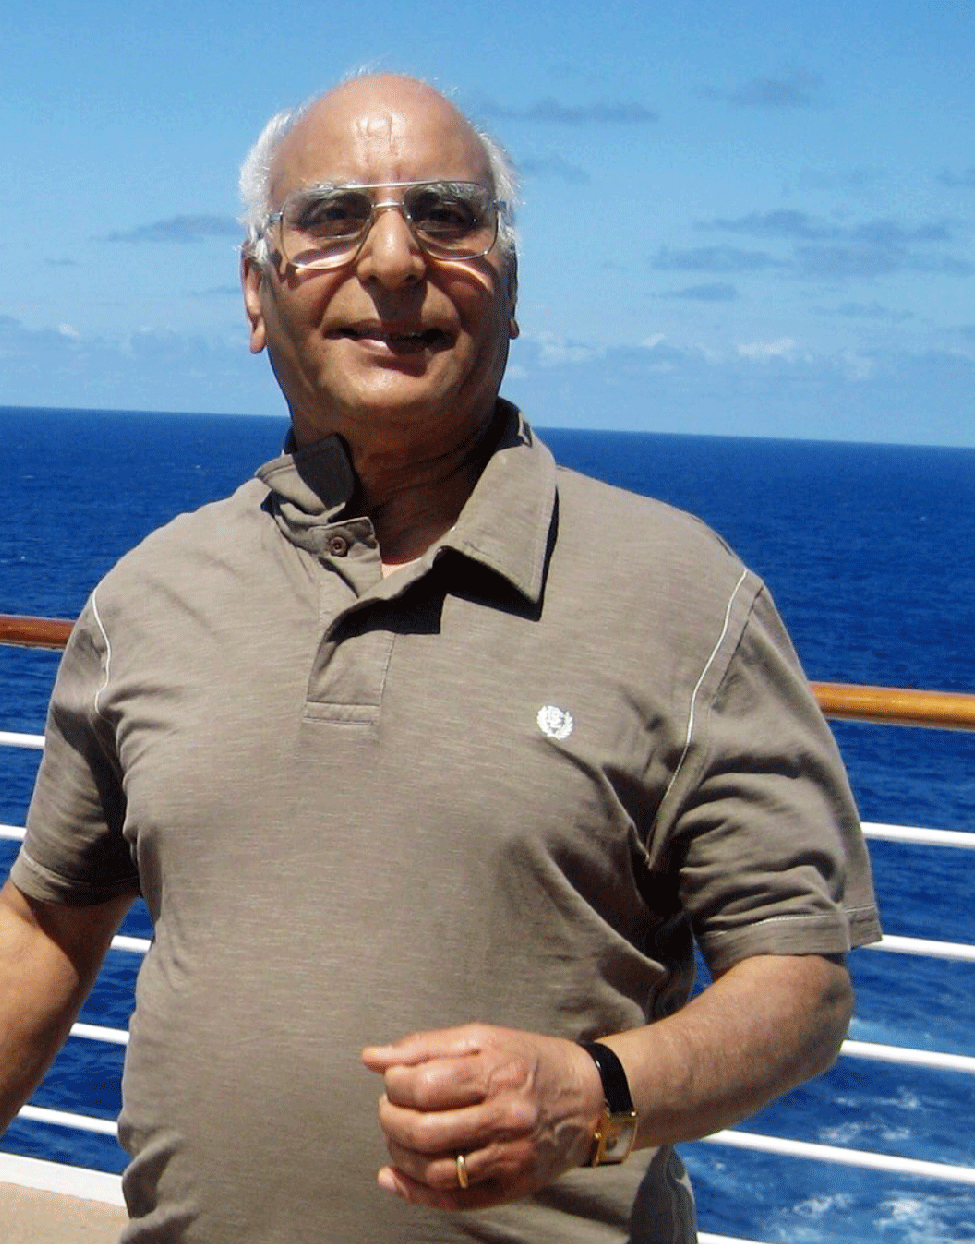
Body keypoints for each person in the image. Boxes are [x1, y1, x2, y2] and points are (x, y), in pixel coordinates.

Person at [0, 73, 880, 1243]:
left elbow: (802, 984)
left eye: (447, 216)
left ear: (510, 290)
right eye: (330, 217)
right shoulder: (151, 595)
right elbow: (47, 927)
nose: (393, 259)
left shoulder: (682, 595)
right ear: (256, 293)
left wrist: (597, 1098)